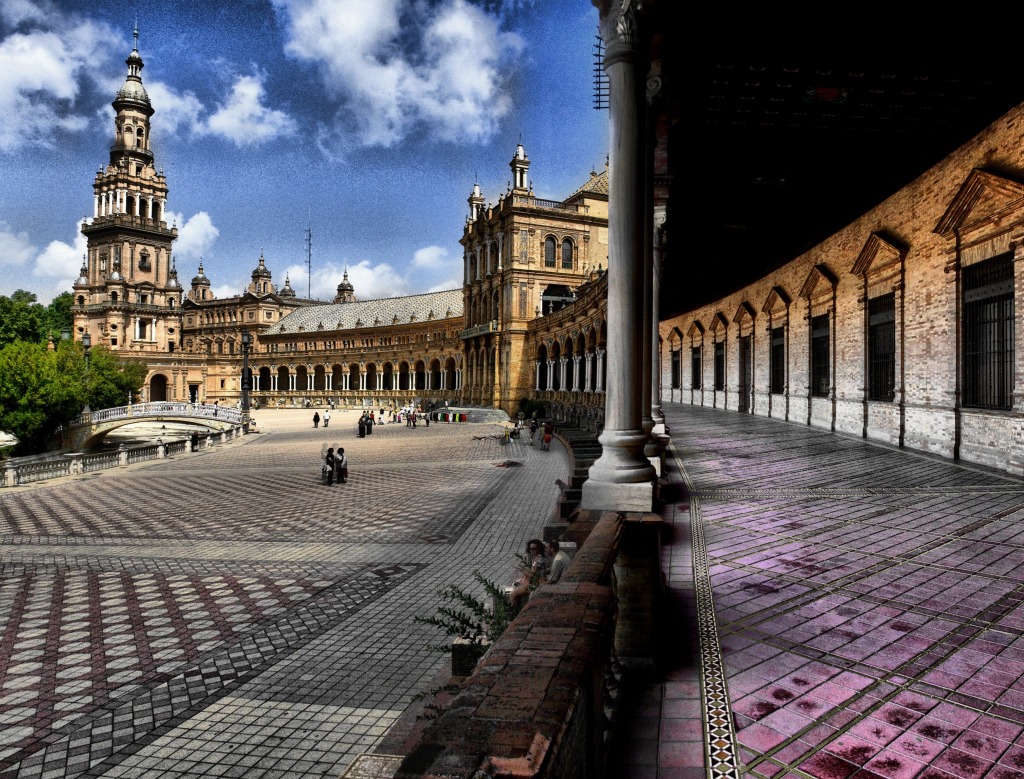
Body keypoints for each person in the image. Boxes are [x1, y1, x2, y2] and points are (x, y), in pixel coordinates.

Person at [510, 539, 550, 608]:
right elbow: (533, 571)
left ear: (539, 548)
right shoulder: (538, 557)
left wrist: (523, 570)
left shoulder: (539, 559)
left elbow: (532, 575)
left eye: (534, 548)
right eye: (530, 548)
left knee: (513, 594)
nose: (532, 550)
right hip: (538, 581)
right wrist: (524, 568)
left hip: (537, 584)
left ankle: (514, 613)